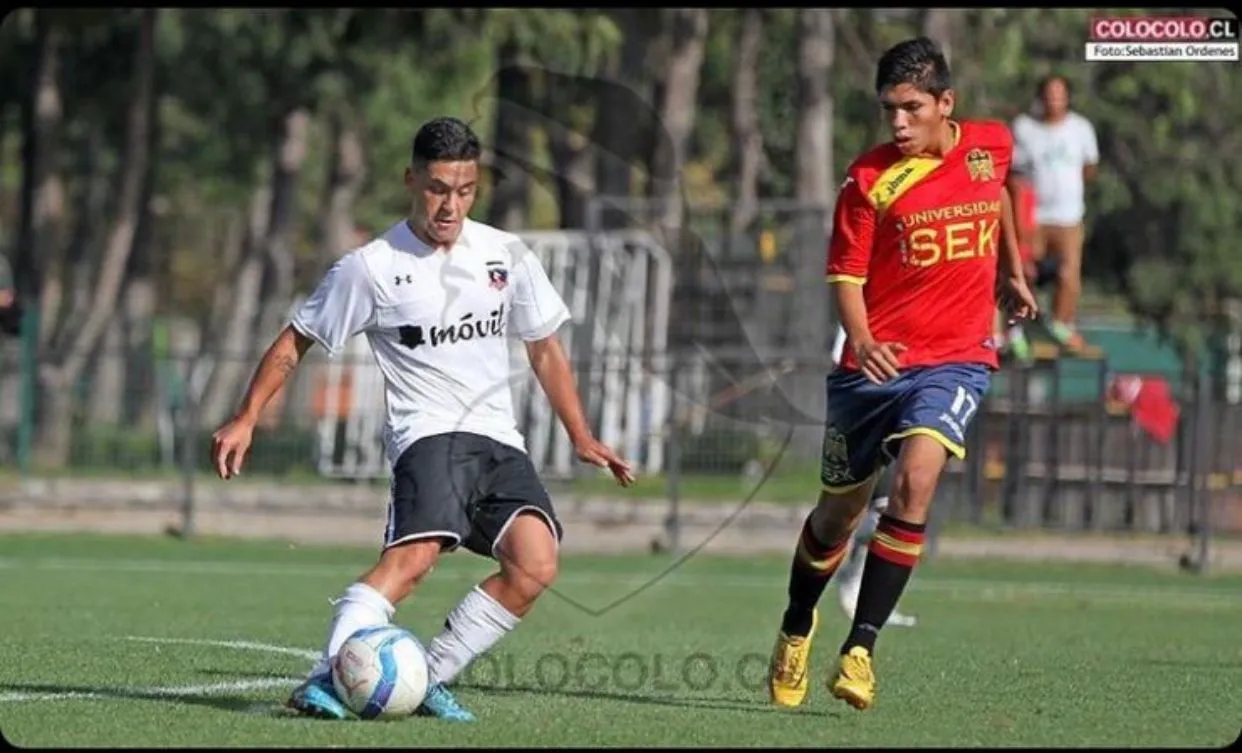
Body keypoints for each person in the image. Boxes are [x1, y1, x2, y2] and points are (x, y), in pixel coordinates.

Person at [210, 117, 634, 722]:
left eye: (463, 190)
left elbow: (544, 346)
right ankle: (323, 678)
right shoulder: (372, 266)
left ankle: (426, 677)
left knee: (536, 563)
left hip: (499, 442)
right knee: (414, 563)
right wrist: (246, 417)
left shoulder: (504, 255)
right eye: (437, 188)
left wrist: (581, 434)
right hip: (429, 436)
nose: (450, 205)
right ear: (411, 180)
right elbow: (296, 340)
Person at [766, 37, 1037, 713]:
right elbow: (846, 277)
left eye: (911, 108)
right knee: (837, 516)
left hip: (957, 357)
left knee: (917, 480)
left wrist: (1012, 268)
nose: (898, 123)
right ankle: (798, 623)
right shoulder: (866, 181)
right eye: (889, 109)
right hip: (871, 370)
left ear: (947, 104)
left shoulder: (991, 144)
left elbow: (997, 192)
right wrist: (862, 340)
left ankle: (860, 649)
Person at [828, 325, 917, 628]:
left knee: (890, 506)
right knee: (847, 510)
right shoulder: (860, 300)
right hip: (868, 403)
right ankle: (835, 578)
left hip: (913, 398)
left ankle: (865, 594)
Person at [1011, 74, 1099, 355]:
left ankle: (1062, 324)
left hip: (1068, 216)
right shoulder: (1025, 128)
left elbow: (1089, 167)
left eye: (1060, 93)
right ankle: (1023, 327)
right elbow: (1015, 175)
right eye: (1049, 93)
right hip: (1034, 217)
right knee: (1024, 271)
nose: (1054, 99)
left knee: (1068, 272)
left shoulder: (1080, 128)